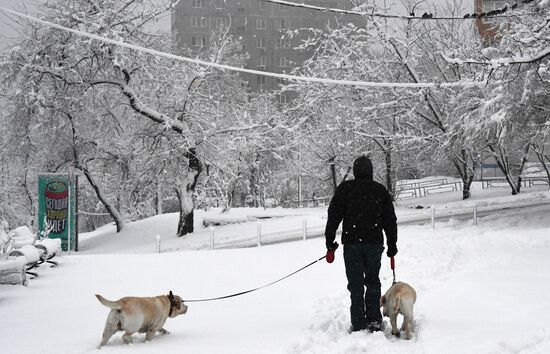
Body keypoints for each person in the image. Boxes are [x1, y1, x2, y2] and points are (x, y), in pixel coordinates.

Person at [324, 155, 398, 333]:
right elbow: (390, 220)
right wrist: (392, 244)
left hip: (352, 244)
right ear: (370, 171)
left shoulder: (345, 189)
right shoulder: (380, 190)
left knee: (355, 284)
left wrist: (330, 241)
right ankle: (373, 320)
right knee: (372, 281)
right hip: (374, 243)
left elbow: (333, 215)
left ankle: (358, 322)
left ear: (355, 171)